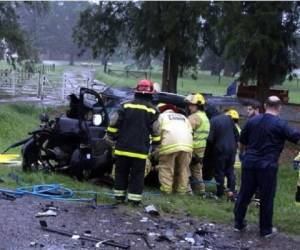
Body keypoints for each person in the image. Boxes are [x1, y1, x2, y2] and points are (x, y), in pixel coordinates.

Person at [234, 96, 300, 237]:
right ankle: (265, 230)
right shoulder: (281, 124)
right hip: (267, 166)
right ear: (280, 107)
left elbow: (242, 141)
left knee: (244, 194)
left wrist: (243, 155)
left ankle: (238, 224)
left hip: (249, 163)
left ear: (264, 105)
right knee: (266, 198)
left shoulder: (252, 121)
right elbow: (296, 137)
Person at [106, 79, 161, 205]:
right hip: (140, 151)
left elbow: (114, 123)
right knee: (137, 176)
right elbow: (156, 131)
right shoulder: (153, 110)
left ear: (136, 92)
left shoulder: (125, 106)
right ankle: (134, 201)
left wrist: (111, 136)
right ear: (151, 94)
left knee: (120, 173)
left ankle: (119, 198)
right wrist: (155, 146)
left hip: (122, 148)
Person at [156, 103, 193, 194]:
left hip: (169, 145)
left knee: (166, 168)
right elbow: (191, 132)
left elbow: (157, 132)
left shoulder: (161, 117)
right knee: (183, 169)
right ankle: (181, 192)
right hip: (187, 146)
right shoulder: (183, 117)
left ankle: (166, 191)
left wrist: (157, 147)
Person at [207, 110, 239, 198]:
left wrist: (208, 153)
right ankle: (231, 191)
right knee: (230, 171)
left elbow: (210, 139)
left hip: (220, 150)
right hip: (232, 149)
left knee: (219, 171)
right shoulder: (229, 118)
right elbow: (237, 135)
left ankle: (220, 193)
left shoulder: (213, 121)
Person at [186, 93, 210, 194]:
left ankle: (186, 190)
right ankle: (200, 190)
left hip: (192, 147)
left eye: (192, 104)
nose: (189, 107)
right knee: (196, 169)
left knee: (184, 167)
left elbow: (184, 130)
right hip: (201, 148)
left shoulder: (194, 117)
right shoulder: (205, 117)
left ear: (198, 105)